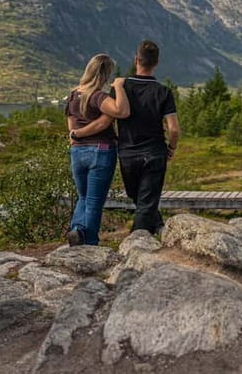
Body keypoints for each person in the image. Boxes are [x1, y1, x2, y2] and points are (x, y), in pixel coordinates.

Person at [112, 40, 179, 234]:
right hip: (154, 153)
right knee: (145, 201)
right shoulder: (163, 92)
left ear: (136, 60)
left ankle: (144, 235)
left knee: (141, 199)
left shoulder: (121, 88)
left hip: (127, 154)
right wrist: (171, 148)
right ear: (156, 63)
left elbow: (110, 120)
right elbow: (173, 129)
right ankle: (145, 236)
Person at [65, 54, 129, 246]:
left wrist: (77, 135)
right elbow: (122, 111)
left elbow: (71, 128)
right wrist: (118, 87)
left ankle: (77, 231)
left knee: (82, 197)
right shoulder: (97, 96)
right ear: (104, 74)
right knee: (94, 202)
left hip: (77, 152)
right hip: (100, 151)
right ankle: (89, 241)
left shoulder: (73, 96)